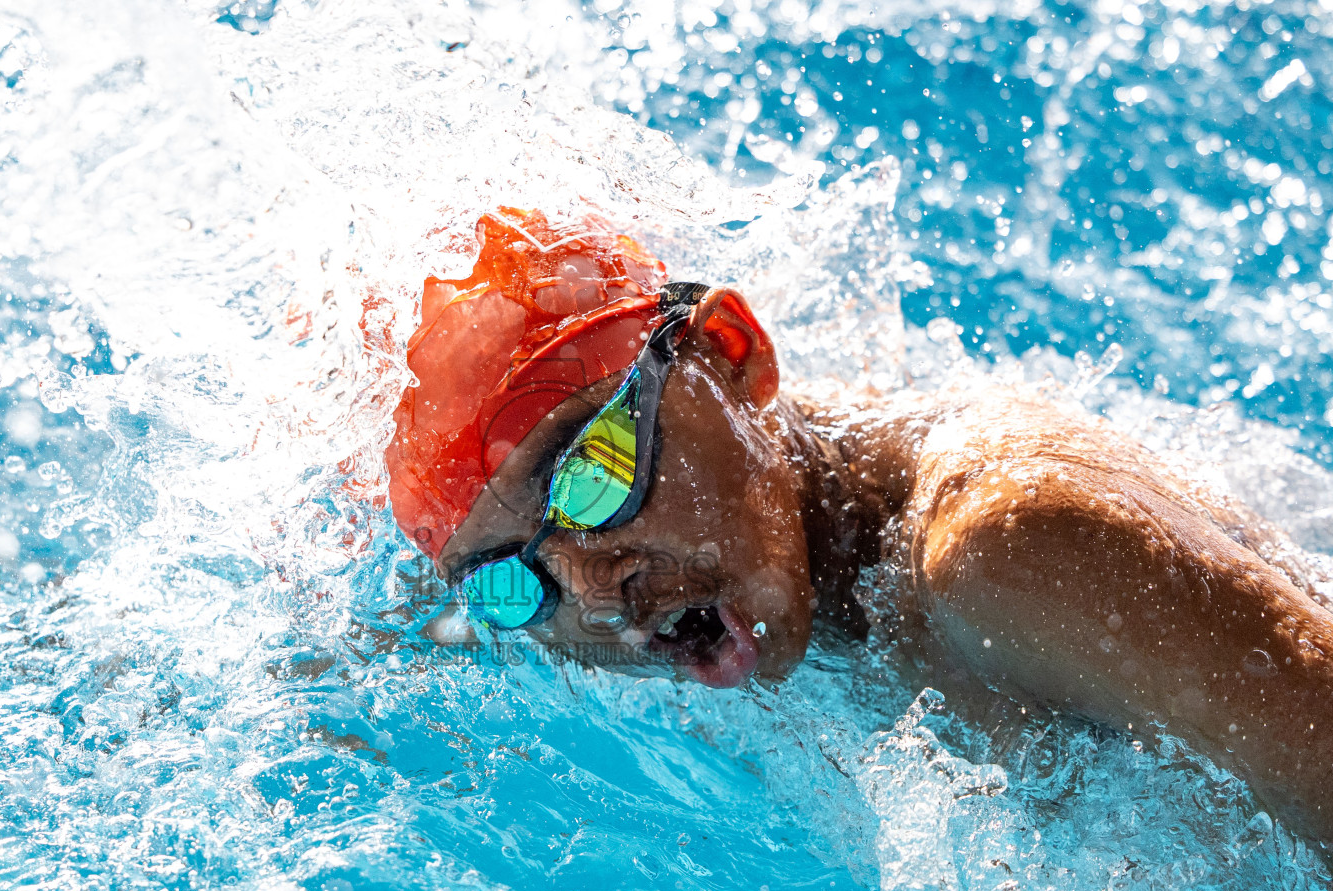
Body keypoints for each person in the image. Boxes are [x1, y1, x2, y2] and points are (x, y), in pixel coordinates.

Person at [383, 207, 1333, 847]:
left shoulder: (1009, 551)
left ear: (730, 351)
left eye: (595, 476)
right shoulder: (766, 550)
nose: (594, 587)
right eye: (512, 579)